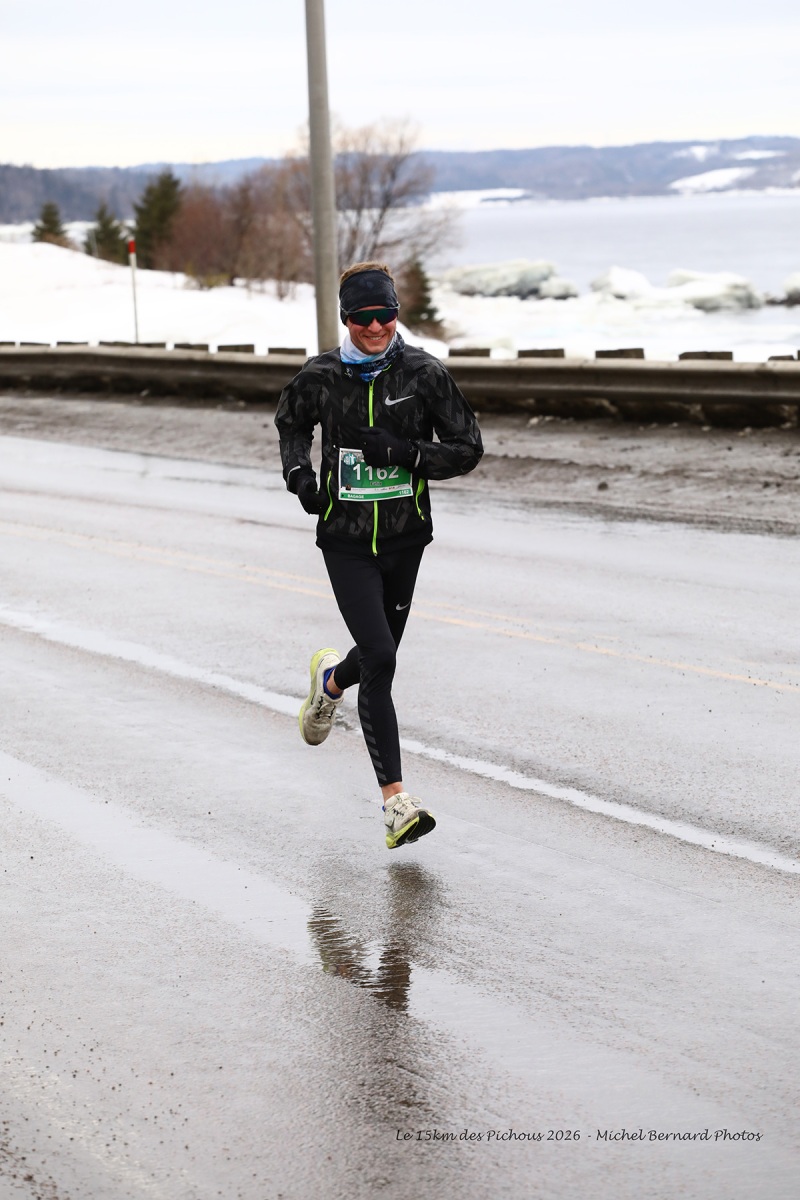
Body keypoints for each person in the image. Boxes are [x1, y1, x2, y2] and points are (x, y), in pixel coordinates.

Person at [275, 261, 483, 849]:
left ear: (396, 314)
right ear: (346, 318)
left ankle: (331, 682)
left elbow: (468, 447)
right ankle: (396, 803)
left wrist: (407, 454)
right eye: (362, 317)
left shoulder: (423, 374)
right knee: (383, 658)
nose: (375, 327)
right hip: (345, 541)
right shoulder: (322, 376)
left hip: (404, 539)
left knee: (374, 655)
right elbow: (291, 423)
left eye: (385, 314)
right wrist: (299, 476)